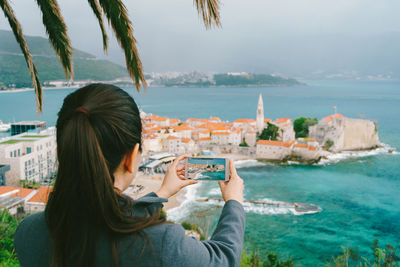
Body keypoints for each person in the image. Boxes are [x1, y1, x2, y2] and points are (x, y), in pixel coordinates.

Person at [14, 83, 245, 267]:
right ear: (132, 156)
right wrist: (234, 202)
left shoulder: (28, 233)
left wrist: (162, 193)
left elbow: (103, 217)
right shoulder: (160, 245)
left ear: (61, 152)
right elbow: (223, 258)